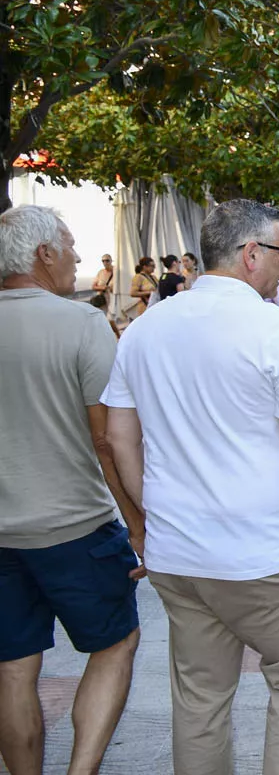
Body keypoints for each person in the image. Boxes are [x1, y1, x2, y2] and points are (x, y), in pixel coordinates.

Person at [102, 199, 279, 775]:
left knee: (201, 701)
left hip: (180, 555)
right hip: (265, 553)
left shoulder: (143, 330)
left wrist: (152, 515)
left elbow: (116, 438)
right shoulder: (274, 329)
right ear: (251, 253)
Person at [0, 206, 144, 775]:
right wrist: (137, 523)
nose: (79, 258)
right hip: (75, 528)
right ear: (44, 255)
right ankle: (81, 770)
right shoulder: (81, 323)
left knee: (12, 669)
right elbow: (107, 440)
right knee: (115, 645)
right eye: (70, 246)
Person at [91, 253, 115, 320]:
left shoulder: (117, 272)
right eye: (103, 261)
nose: (105, 262)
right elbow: (93, 286)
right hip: (102, 300)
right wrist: (103, 288)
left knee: (112, 319)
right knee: (102, 318)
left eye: (107, 260)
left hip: (113, 300)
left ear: (111, 261)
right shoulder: (100, 272)